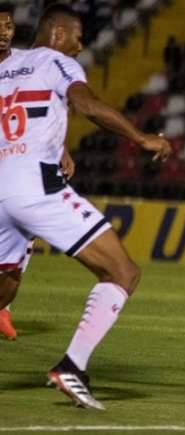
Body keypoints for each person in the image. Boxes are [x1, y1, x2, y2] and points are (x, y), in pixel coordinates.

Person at [0, 4, 172, 409]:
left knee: (6, 285)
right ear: (58, 34)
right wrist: (142, 138)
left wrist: (57, 144)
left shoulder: (10, 62)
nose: (81, 45)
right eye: (78, 35)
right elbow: (87, 104)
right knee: (122, 271)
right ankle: (72, 367)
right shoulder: (56, 60)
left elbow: (20, 115)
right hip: (35, 187)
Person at [0, 3, 76, 341]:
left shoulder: (22, 64)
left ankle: (3, 308)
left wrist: (61, 148)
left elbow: (39, 109)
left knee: (18, 251)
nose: (5, 31)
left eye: (9, 25)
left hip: (16, 166)